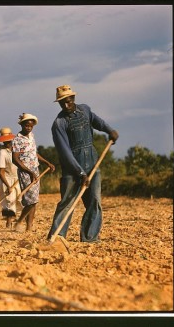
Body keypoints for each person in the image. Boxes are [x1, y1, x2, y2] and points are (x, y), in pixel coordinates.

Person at [47, 85, 119, 243]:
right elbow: (65, 153)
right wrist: (80, 173)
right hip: (72, 170)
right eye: (62, 103)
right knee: (67, 203)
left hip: (93, 163)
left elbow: (97, 122)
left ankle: (90, 237)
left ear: (73, 98)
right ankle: (57, 237)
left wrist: (110, 130)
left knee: (95, 201)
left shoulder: (85, 110)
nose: (66, 105)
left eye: (68, 101)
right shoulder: (59, 124)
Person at [12, 113, 55, 232]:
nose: (29, 128)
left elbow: (33, 153)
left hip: (35, 169)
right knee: (30, 201)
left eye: (31, 126)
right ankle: (20, 221)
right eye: (26, 126)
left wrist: (47, 162)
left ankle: (29, 227)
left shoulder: (31, 136)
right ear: (21, 125)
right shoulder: (17, 140)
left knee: (34, 200)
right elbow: (15, 159)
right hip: (25, 172)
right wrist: (29, 172)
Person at [0, 127, 22, 228]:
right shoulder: (2, 152)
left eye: (9, 140)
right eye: (5, 140)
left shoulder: (17, 150)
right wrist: (8, 185)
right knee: (9, 202)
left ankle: (18, 222)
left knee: (19, 200)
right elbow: (1, 171)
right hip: (7, 180)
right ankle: (8, 223)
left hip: (18, 179)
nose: (7, 142)